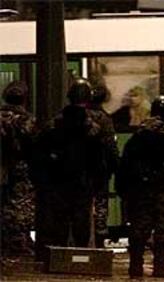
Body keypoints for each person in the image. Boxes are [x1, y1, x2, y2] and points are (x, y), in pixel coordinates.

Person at [115, 92, 164, 278]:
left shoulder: (142, 132)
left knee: (139, 228)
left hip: (141, 190)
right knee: (163, 229)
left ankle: (135, 266)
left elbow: (126, 162)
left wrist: (125, 189)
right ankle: (159, 266)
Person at [32, 78, 104, 261]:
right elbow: (103, 158)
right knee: (82, 227)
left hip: (58, 184)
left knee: (59, 224)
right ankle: (79, 260)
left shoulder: (54, 125)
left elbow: (39, 156)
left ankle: (61, 260)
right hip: (83, 184)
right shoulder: (94, 127)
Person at [0, 81, 37, 258]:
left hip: (2, 170)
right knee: (20, 209)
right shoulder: (27, 120)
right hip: (21, 171)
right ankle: (19, 243)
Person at [88, 85, 120, 248]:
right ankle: (99, 239)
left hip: (78, 171)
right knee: (100, 203)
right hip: (99, 169)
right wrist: (116, 166)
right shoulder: (104, 119)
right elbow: (110, 146)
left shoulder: (78, 115)